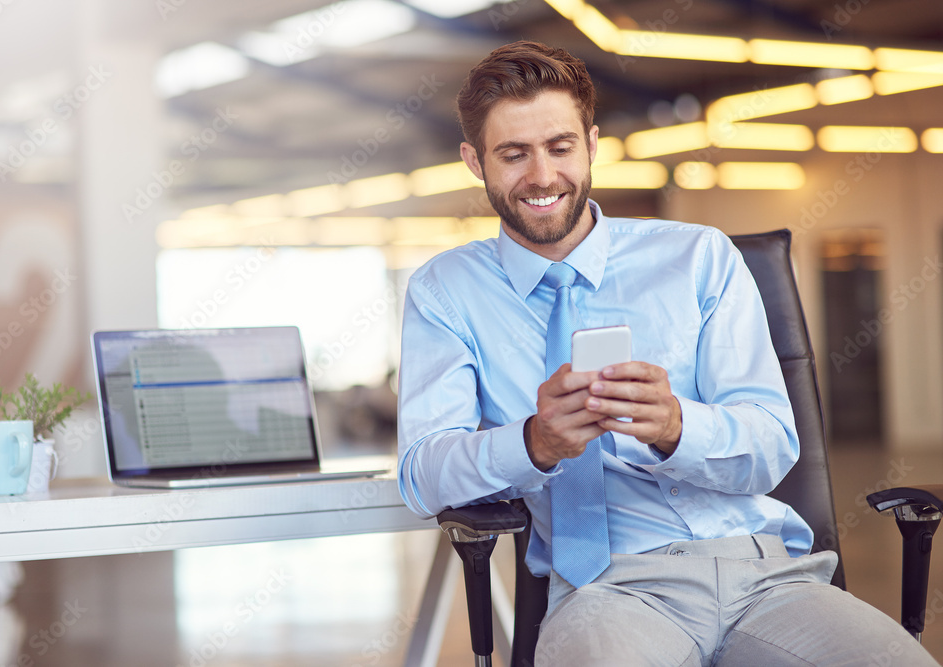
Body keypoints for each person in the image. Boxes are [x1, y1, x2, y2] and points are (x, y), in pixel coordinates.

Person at [396, 40, 939, 666]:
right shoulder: (446, 291)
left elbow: (770, 448)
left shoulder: (699, 258)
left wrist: (680, 426)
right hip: (608, 590)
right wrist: (533, 443)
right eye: (513, 154)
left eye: (560, 147)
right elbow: (421, 474)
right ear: (474, 160)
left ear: (593, 145)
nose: (542, 176)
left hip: (762, 573)